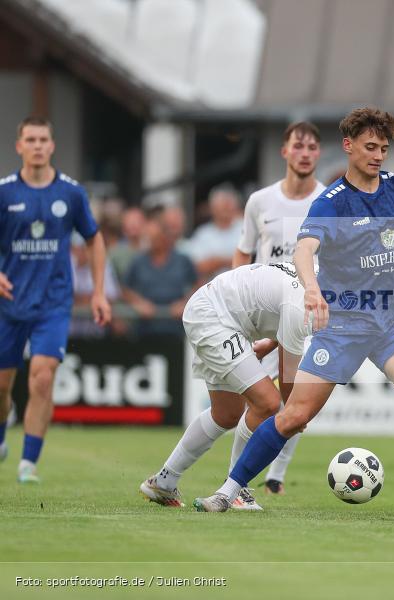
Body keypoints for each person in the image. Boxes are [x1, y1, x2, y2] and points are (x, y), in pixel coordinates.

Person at [193, 106, 394, 519]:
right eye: (370, 147)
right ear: (349, 146)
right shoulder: (331, 203)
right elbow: (304, 251)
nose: (378, 155)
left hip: (393, 320)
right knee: (294, 416)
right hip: (344, 326)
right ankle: (227, 492)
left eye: (384, 148)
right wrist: (313, 292)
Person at [139, 262, 309, 509]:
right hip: (215, 317)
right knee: (269, 403)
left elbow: (283, 314)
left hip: (215, 310)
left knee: (226, 413)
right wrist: (296, 412)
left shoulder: (314, 278)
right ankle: (237, 489)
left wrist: (271, 343)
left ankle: (163, 482)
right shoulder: (307, 299)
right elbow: (288, 374)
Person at [0, 116, 111, 482]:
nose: (36, 145)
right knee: (2, 384)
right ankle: (4, 428)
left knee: (43, 377)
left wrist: (97, 292)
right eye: (29, 139)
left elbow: (93, 239)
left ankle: (28, 464)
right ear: (19, 146)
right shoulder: (4, 192)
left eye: (42, 139)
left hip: (53, 302)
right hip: (9, 301)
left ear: (52, 145)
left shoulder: (71, 193)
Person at [232, 120, 326, 495]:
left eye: (311, 147)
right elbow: (244, 249)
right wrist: (235, 293)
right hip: (260, 313)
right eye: (297, 147)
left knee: (295, 401)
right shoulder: (260, 201)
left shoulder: (328, 200)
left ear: (318, 154)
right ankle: (238, 480)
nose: (304, 154)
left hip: (303, 315)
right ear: (284, 151)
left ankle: (272, 475)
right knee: (253, 403)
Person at [121, 208, 197, 337]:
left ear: (165, 236)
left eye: (155, 238)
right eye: (149, 238)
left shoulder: (182, 260)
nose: (152, 242)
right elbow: (125, 289)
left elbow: (198, 285)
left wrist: (185, 303)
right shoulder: (138, 261)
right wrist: (138, 303)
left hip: (177, 327)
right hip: (146, 327)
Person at [188, 185, 244, 283]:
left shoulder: (246, 228)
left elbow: (254, 261)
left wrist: (216, 261)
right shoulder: (203, 233)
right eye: (223, 205)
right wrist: (232, 260)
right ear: (212, 208)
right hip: (211, 290)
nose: (226, 208)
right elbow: (198, 267)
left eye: (229, 204)